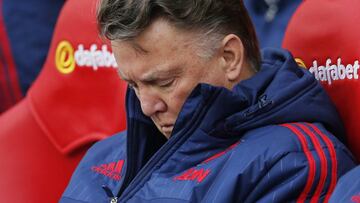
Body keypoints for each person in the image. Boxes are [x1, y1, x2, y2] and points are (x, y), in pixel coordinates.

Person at [60, 0, 356, 202]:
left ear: (229, 58)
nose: (147, 106)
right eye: (133, 85)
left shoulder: (293, 163)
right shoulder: (104, 154)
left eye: (163, 82)